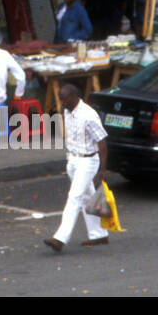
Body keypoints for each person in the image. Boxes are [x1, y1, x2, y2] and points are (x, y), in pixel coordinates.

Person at [43, 82, 109, 253]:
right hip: (73, 159)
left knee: (74, 197)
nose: (61, 102)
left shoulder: (89, 115)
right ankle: (99, 234)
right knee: (88, 196)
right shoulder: (67, 111)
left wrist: (102, 169)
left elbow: (102, 143)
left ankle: (60, 238)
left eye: (63, 99)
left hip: (88, 161)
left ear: (73, 97)